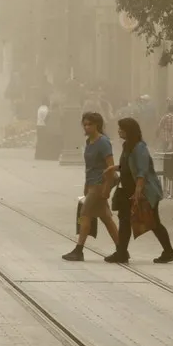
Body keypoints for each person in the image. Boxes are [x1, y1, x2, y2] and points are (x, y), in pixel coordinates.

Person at [103, 117, 173, 264]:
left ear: (129, 131)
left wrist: (138, 191)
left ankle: (169, 251)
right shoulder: (127, 146)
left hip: (144, 192)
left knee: (154, 222)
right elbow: (128, 166)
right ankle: (122, 253)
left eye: (121, 128)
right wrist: (114, 168)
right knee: (124, 221)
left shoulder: (140, 147)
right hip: (127, 190)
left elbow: (142, 171)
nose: (119, 131)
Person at [63, 112, 119, 261]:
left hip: (100, 184)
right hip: (92, 183)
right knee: (106, 218)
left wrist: (106, 188)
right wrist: (86, 185)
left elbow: (111, 168)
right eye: (85, 124)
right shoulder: (89, 142)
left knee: (85, 214)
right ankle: (122, 249)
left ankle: (79, 250)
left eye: (90, 124)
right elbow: (90, 167)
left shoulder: (103, 142)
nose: (87, 127)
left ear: (97, 125)